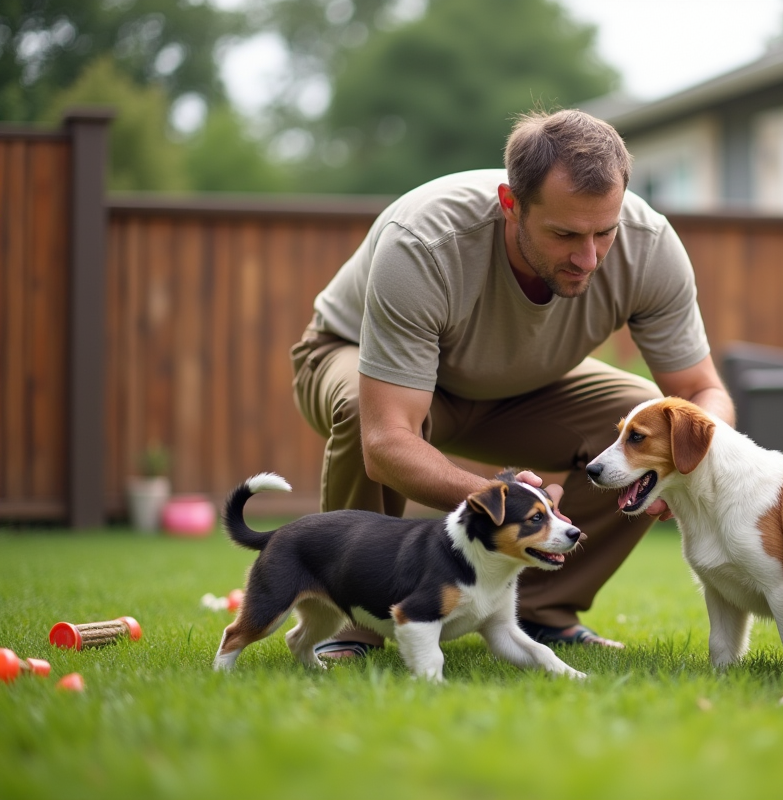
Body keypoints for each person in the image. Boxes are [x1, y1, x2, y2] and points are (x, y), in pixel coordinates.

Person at [290, 108, 734, 656]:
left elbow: (698, 393)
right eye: (565, 234)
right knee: (365, 411)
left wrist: (691, 468)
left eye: (605, 231)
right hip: (358, 363)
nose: (588, 257)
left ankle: (543, 612)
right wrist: (504, 500)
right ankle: (354, 622)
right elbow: (386, 443)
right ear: (511, 205)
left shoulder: (650, 245)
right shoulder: (425, 243)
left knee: (647, 416)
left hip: (526, 382)